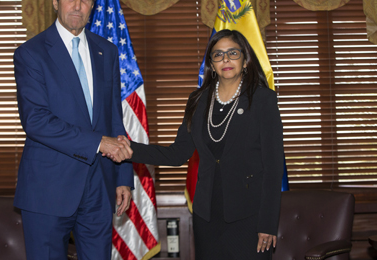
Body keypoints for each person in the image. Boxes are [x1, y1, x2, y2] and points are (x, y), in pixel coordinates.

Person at [116, 29, 283, 259]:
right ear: (211, 65)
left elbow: (274, 168)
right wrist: (128, 149)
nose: (225, 59)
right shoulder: (198, 100)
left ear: (245, 60)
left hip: (249, 217)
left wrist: (268, 223)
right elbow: (176, 154)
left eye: (233, 53)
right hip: (206, 216)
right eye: (218, 55)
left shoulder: (263, 99)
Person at [13, 0, 133, 260]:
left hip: (99, 187)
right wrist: (97, 142)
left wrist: (122, 177)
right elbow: (36, 121)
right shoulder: (31, 53)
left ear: (93, 4)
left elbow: (114, 118)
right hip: (48, 187)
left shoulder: (107, 51)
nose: (77, 5)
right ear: (55, 1)